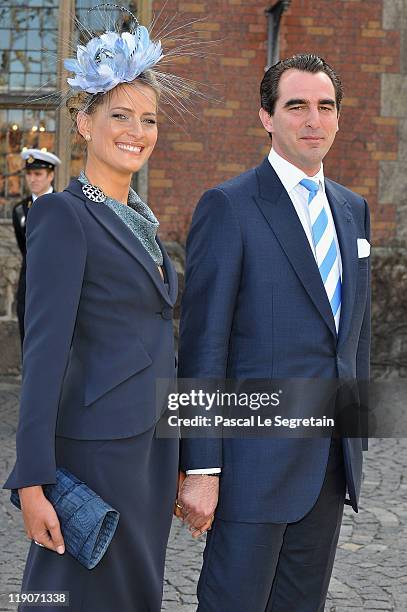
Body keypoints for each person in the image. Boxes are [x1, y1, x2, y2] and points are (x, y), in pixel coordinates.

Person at [177, 54, 371, 611]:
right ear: (266, 116)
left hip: (331, 465)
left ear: (337, 117)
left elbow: (354, 339)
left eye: (325, 106)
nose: (313, 120)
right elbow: (202, 344)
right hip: (251, 468)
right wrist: (202, 468)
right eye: (296, 106)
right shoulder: (229, 206)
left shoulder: (353, 209)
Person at [4, 12, 181, 611]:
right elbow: (44, 353)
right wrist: (32, 479)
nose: (138, 131)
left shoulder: (143, 223)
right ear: (83, 123)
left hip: (151, 451)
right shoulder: (61, 215)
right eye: (121, 115)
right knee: (75, 597)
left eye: (149, 119)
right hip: (97, 451)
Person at [12, 149, 61, 345]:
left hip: (58, 282)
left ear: (51, 175)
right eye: (29, 174)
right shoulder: (20, 210)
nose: (33, 179)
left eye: (38, 174)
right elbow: (25, 248)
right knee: (28, 339)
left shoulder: (64, 206)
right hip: (29, 282)